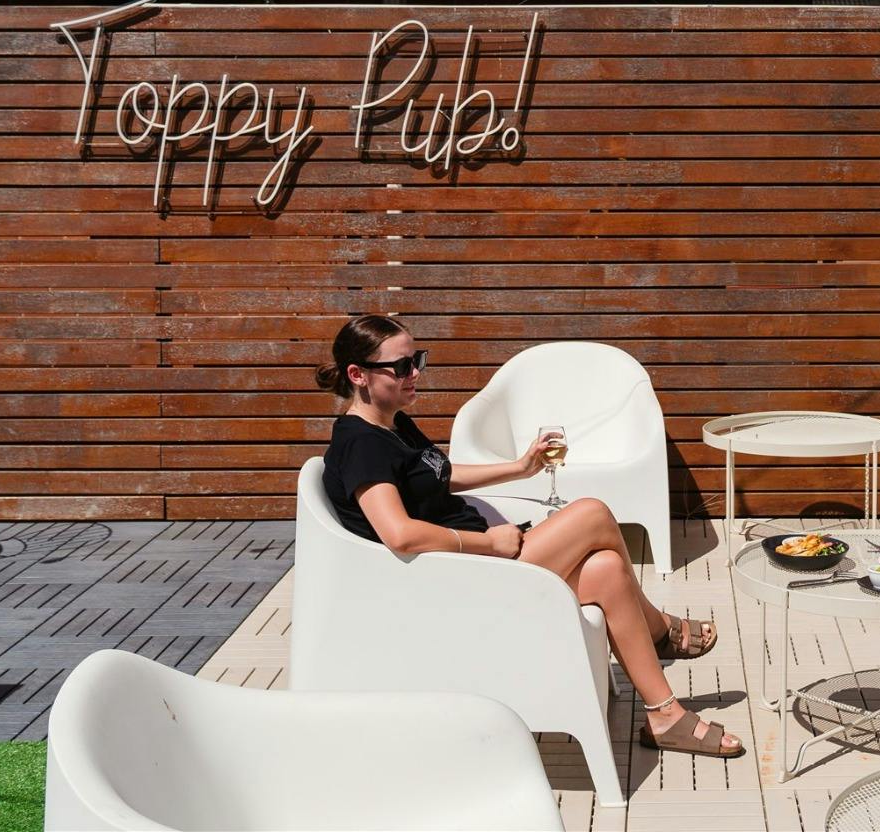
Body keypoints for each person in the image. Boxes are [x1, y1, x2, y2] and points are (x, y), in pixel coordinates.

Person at [316, 314, 742, 759]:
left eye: (417, 360)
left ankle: (665, 716)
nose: (415, 373)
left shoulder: (392, 424)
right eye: (401, 366)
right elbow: (399, 535)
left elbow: (440, 476)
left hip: (475, 564)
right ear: (357, 375)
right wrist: (488, 543)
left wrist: (519, 467)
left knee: (608, 569)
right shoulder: (362, 444)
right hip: (459, 579)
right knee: (593, 513)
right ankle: (660, 629)